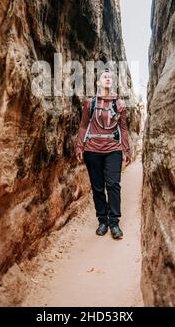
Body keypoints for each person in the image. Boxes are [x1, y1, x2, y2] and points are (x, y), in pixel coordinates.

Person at [74, 68, 132, 239]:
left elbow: (123, 129)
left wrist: (126, 149)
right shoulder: (89, 103)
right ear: (98, 83)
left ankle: (114, 223)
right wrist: (79, 146)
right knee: (97, 187)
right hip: (92, 150)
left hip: (113, 150)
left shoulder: (120, 105)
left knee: (113, 185)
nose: (108, 78)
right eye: (104, 77)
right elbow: (84, 125)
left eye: (110, 76)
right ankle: (102, 221)